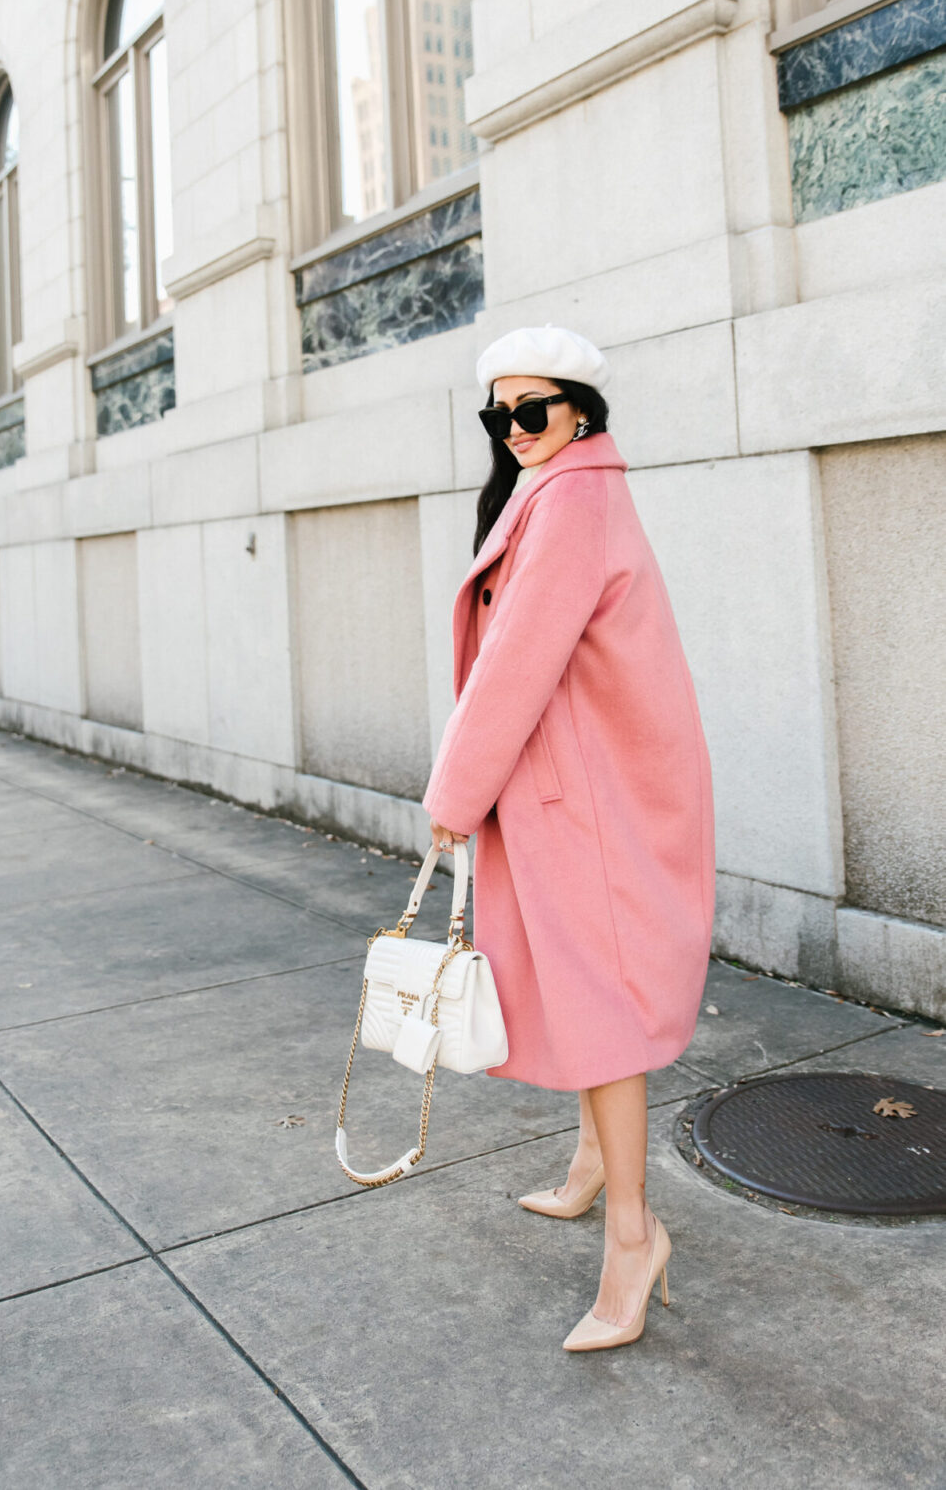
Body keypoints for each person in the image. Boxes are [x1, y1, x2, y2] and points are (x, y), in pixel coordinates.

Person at [422, 324, 715, 1352]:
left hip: (584, 800)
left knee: (602, 1010)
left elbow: (517, 664)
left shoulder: (573, 497)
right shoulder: (561, 488)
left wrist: (454, 793)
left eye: (530, 410)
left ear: (581, 407)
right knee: (584, 992)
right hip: (572, 789)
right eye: (496, 415)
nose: (514, 430)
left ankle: (636, 1236)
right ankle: (595, 1168)